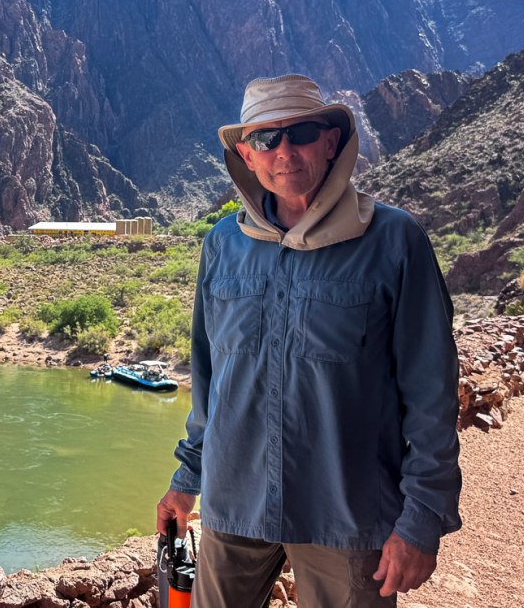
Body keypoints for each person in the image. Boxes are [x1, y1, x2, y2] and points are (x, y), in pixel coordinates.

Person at [156, 74, 461, 607]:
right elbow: (209, 379)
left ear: (331, 140)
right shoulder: (224, 245)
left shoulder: (394, 241)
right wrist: (188, 476)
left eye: (299, 132)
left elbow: (432, 395)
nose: (285, 152)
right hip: (235, 504)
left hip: (345, 514)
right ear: (246, 155)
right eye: (267, 139)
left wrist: (422, 518)